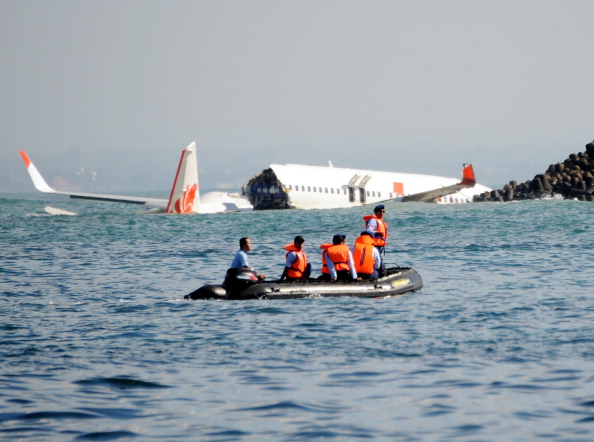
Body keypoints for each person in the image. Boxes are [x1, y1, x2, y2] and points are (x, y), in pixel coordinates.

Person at [364, 204, 388, 277]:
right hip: (374, 245)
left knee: (377, 260)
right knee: (379, 261)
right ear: (376, 213)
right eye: (380, 212)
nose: (382, 213)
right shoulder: (373, 221)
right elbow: (368, 230)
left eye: (383, 212)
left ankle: (377, 273)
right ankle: (383, 275)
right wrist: (377, 233)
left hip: (379, 245)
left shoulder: (381, 221)